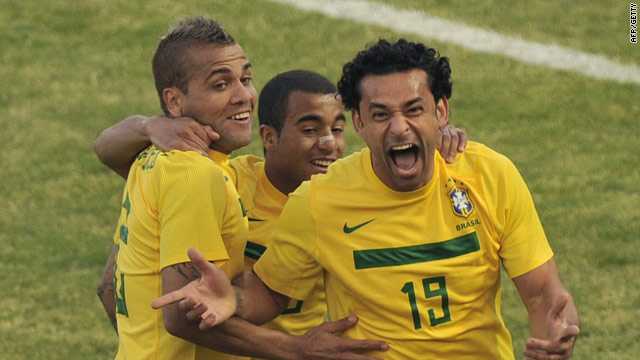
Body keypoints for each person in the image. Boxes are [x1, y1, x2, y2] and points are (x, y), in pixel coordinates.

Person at [153, 38, 581, 360]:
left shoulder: (490, 175)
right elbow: (270, 292)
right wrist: (234, 299)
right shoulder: (322, 199)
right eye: (380, 114)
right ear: (358, 121)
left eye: (414, 109)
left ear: (441, 113)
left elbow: (543, 293)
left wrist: (552, 336)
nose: (398, 128)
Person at [96, 68, 467, 342]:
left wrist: (441, 139)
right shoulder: (226, 183)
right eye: (310, 130)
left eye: (337, 130)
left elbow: (111, 287)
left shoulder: (345, 199)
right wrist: (147, 126)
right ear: (269, 137)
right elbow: (112, 155)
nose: (329, 144)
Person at [102, 15, 390, 360]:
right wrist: (299, 350)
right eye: (220, 85)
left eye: (246, 79)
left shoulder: (152, 158)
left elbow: (108, 286)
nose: (244, 96)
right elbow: (182, 316)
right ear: (175, 101)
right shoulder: (198, 176)